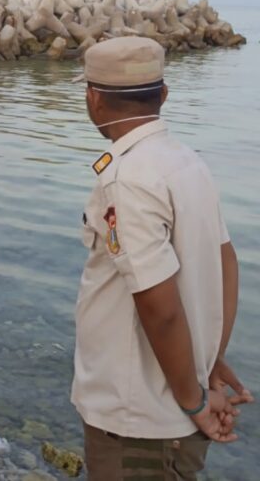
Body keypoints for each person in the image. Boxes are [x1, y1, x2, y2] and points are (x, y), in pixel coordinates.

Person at [71, 36, 254, 479]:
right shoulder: (186, 162)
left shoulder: (128, 178)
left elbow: (159, 307)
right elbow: (227, 263)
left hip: (140, 421)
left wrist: (193, 400)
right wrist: (207, 365)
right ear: (164, 95)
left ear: (93, 100)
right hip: (170, 413)